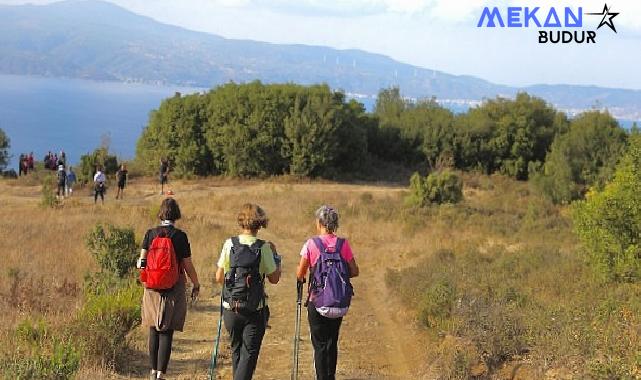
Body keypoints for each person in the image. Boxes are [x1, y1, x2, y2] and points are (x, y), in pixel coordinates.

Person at [215, 204, 281, 380]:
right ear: (260, 224)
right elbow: (274, 278)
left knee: (237, 352)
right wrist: (276, 257)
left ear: (241, 222)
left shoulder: (230, 244)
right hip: (254, 310)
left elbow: (219, 277)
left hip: (231, 308)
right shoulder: (264, 247)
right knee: (248, 355)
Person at [137, 198, 200, 380]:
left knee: (153, 328)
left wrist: (147, 278)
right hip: (174, 285)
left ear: (161, 213)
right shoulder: (180, 236)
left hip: (152, 287)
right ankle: (160, 374)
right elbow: (187, 265)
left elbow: (141, 263)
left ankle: (151, 371)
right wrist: (196, 283)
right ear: (176, 215)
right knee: (167, 329)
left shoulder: (150, 234)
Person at [296, 205, 359, 380]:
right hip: (338, 303)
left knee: (320, 345)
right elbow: (355, 271)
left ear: (319, 223)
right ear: (335, 224)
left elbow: (300, 273)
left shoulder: (311, 244)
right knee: (332, 342)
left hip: (317, 302)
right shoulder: (343, 244)